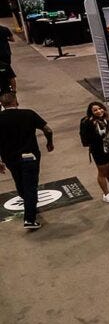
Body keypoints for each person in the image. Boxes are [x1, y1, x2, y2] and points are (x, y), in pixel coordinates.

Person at [0, 92, 53, 230]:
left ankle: (29, 203)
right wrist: (49, 142)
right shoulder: (28, 114)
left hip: (10, 158)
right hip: (29, 156)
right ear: (15, 102)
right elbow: (48, 129)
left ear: (2, 104)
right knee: (31, 186)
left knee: (19, 182)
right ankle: (30, 219)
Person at [79, 101, 109, 203]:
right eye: (95, 110)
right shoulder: (87, 122)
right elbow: (84, 137)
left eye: (100, 108)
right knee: (103, 172)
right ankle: (106, 194)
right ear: (91, 112)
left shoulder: (107, 119)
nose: (98, 111)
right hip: (98, 150)